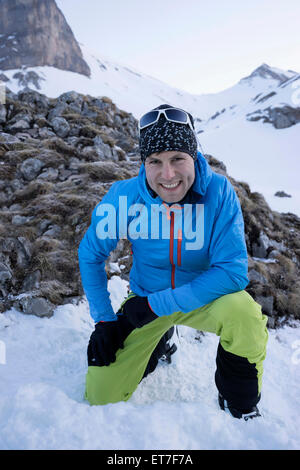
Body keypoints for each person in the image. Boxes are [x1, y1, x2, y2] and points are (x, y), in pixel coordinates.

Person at [78, 104, 268, 420]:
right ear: (144, 163)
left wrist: (158, 306)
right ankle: (158, 342)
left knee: (244, 314)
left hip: (203, 298)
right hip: (145, 302)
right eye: (156, 161)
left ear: (193, 156)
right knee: (101, 397)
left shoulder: (219, 192)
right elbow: (90, 254)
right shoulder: (124, 197)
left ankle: (240, 402)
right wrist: (104, 320)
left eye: (178, 159)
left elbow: (232, 272)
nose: (168, 175)